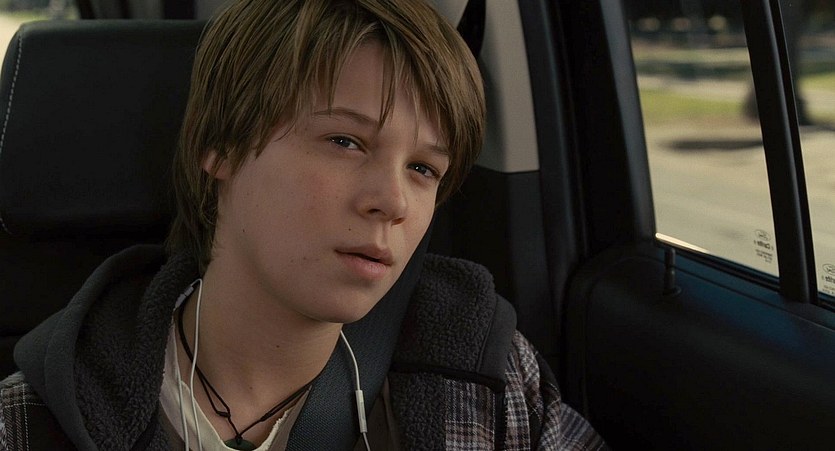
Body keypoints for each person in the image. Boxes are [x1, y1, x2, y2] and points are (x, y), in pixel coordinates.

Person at [0, 0, 606, 449]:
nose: (393, 201)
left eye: (423, 168)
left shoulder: (484, 375)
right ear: (222, 146)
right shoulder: (35, 417)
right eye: (345, 141)